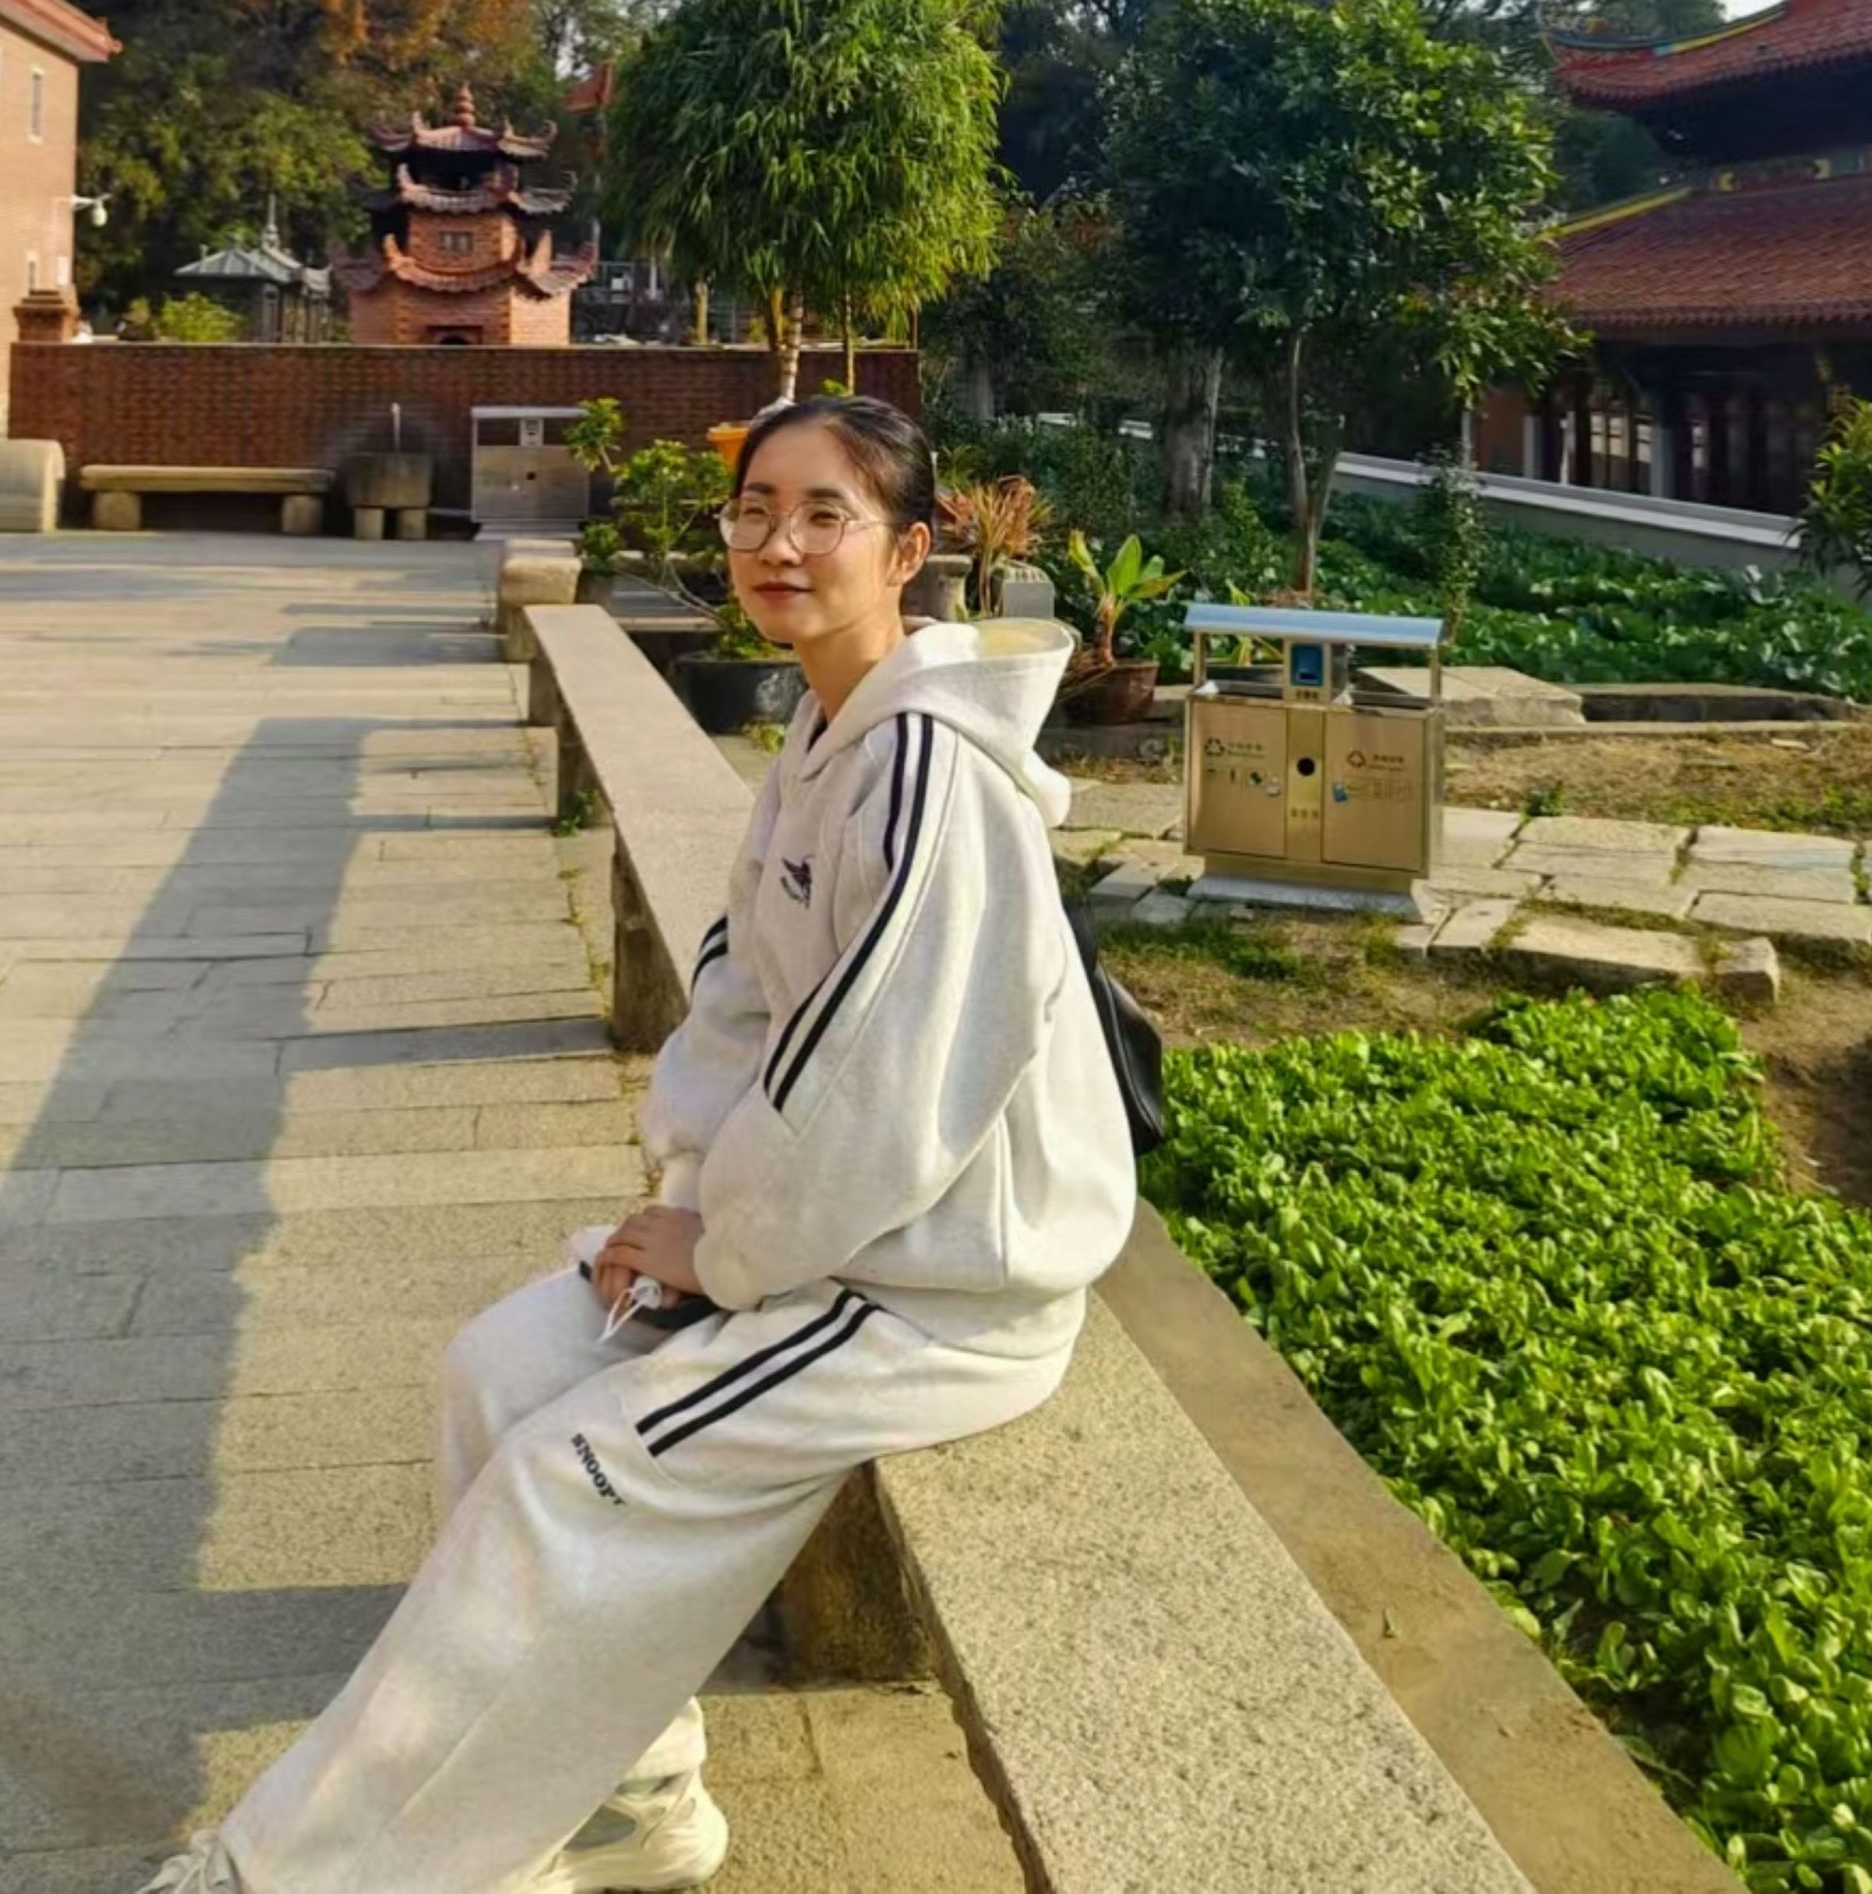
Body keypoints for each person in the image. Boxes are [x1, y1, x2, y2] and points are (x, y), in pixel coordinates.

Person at [143, 395, 1135, 1894]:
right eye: (757, 512)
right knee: (497, 1375)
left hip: (929, 1290)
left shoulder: (932, 774)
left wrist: (724, 1252)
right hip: (812, 1238)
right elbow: (741, 1001)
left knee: (568, 1482)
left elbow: (880, 1090)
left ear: (907, 551)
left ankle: (292, 1874)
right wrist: (684, 1203)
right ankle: (632, 1800)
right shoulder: (827, 731)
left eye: (825, 516)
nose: (780, 545)